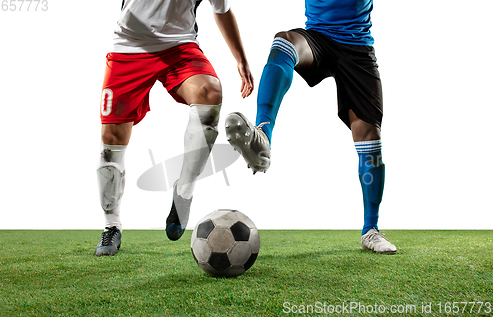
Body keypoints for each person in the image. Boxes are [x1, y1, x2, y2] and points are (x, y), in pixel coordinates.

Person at [225, 0, 396, 254]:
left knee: (369, 137)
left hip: (357, 47)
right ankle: (263, 137)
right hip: (317, 38)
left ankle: (371, 229)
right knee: (284, 42)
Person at [95, 0, 254, 256]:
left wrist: (241, 60)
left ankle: (185, 189)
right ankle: (111, 225)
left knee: (210, 92)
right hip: (129, 47)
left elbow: (222, 9)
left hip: (179, 48)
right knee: (111, 140)